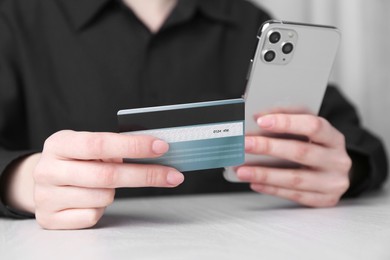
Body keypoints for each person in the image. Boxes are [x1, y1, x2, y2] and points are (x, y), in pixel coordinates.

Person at [0, 0, 387, 230]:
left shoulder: (249, 23)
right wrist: (18, 181)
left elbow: (360, 144)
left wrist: (345, 169)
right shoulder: (15, 20)